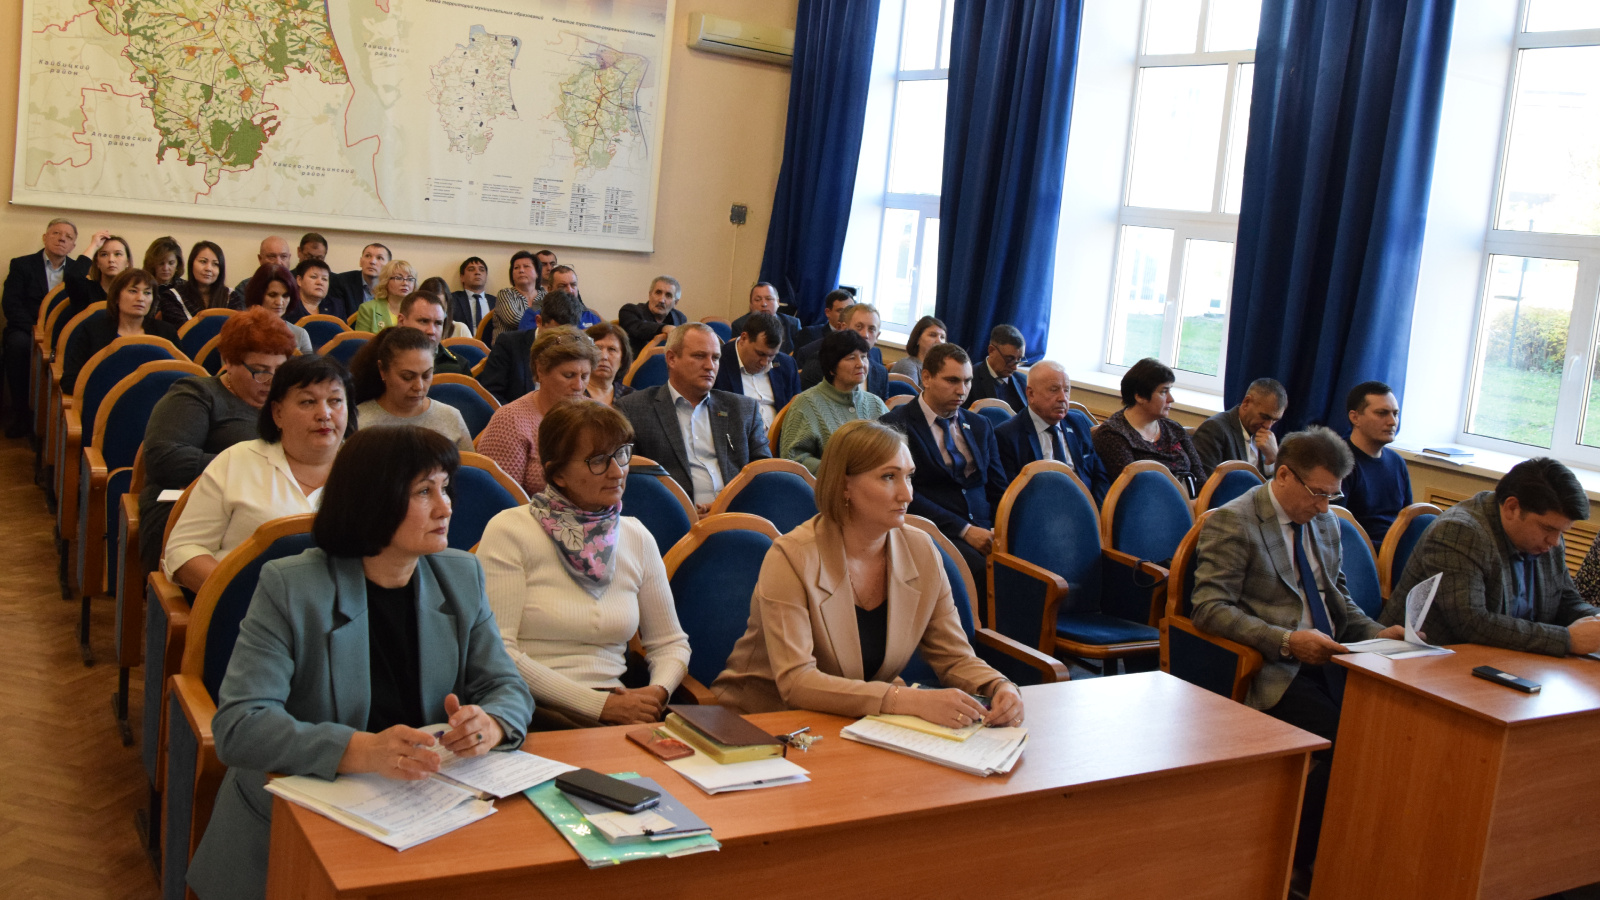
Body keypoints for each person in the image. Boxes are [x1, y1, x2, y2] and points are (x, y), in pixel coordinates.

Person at [185, 426, 533, 900]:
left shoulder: (460, 574)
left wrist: (490, 723)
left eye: (445, 488)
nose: (446, 507)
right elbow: (242, 726)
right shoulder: (292, 586)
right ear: (373, 500)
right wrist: (363, 751)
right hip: (297, 825)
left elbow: (506, 686)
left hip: (427, 811)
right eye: (424, 492)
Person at [711, 419, 1024, 725]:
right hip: (760, 723)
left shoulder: (922, 550)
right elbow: (797, 682)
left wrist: (998, 686)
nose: (907, 495)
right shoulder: (792, 556)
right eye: (888, 477)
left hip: (851, 722)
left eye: (909, 477)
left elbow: (955, 657)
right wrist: (906, 700)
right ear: (844, 485)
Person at [1190, 426, 1404, 874]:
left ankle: (1354, 849)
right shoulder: (1235, 520)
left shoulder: (1325, 522)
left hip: (1333, 656)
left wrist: (1379, 633)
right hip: (1275, 665)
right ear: (1284, 474)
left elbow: (1338, 600)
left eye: (1332, 495)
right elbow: (1209, 609)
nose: (1324, 506)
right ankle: (1294, 865)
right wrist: (1286, 641)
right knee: (1347, 743)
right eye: (1318, 493)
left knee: (1393, 734)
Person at [480, 400, 691, 728]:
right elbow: (498, 651)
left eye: (622, 454)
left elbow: (670, 644)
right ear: (558, 474)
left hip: (621, 709)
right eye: (598, 461)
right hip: (530, 710)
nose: (618, 471)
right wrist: (598, 705)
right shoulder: (510, 530)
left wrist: (656, 693)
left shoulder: (636, 535)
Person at [162, 354, 354, 593]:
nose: (324, 414)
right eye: (308, 402)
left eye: (335, 401)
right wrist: (239, 595)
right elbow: (184, 549)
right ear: (277, 413)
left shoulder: (370, 467)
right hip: (244, 605)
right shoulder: (237, 461)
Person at [1386, 458, 1600, 656]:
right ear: (1512, 507)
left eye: (1561, 532)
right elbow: (1472, 624)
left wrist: (1595, 620)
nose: (1555, 541)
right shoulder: (1460, 532)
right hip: (1421, 661)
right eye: (1548, 529)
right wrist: (1566, 640)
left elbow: (1565, 600)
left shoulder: (1547, 540)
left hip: (1504, 660)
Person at [137, 309, 297, 572]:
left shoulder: (288, 404)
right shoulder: (197, 394)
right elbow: (164, 459)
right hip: (191, 510)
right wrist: (253, 468)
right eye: (260, 371)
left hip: (270, 508)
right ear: (228, 361)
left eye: (280, 371)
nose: (271, 381)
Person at [881, 343, 1008, 604]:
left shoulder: (980, 425)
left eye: (967, 381)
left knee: (1032, 562)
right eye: (952, 380)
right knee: (982, 571)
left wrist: (1003, 529)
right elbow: (903, 495)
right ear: (926, 378)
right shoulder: (896, 425)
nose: (962, 390)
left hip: (985, 529)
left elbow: (997, 487)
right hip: (931, 531)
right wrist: (964, 530)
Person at [616, 323, 770, 512]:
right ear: (671, 358)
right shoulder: (634, 410)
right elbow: (631, 483)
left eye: (715, 358)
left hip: (736, 516)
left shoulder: (743, 409)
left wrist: (726, 506)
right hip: (672, 519)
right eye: (699, 356)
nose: (710, 366)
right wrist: (686, 514)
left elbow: (765, 474)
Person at [477, 327, 598, 496]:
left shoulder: (599, 417)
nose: (578, 386)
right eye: (568, 375)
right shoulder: (510, 421)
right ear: (540, 371)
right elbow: (500, 499)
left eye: (584, 376)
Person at [2, 218, 91, 436]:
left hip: (64, 332)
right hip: (27, 329)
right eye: (56, 233)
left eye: (68, 237)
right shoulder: (22, 265)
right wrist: (37, 332)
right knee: (17, 345)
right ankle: (21, 415)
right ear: (45, 237)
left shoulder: (78, 272)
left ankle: (58, 422)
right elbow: (11, 304)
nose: (61, 239)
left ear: (73, 246)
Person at [994, 360, 1111, 504]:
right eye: (1054, 390)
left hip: (1085, 508)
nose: (1063, 398)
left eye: (1066, 390)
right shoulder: (1008, 435)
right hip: (1041, 510)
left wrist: (1096, 511)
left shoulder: (1078, 423)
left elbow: (1099, 476)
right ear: (1031, 394)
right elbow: (1011, 494)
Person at [1093, 357, 1206, 496]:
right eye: (1163, 392)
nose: (1171, 399)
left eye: (1170, 391)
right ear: (1140, 396)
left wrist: (1201, 504)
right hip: (1148, 506)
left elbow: (1200, 477)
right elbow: (1133, 491)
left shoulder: (1174, 428)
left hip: (1192, 503)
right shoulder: (1113, 434)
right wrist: (1189, 505)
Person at [779, 329, 888, 474]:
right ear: (831, 368)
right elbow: (793, 458)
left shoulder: (876, 403)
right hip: (825, 485)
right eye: (851, 358)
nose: (860, 364)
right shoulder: (805, 404)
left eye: (864, 357)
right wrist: (839, 471)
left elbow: (893, 448)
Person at [59, 267, 180, 394]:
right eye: (133, 291)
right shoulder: (93, 331)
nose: (141, 298)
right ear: (116, 297)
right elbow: (70, 381)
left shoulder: (166, 333)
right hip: (102, 402)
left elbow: (183, 377)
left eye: (147, 293)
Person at [351, 326, 474, 451]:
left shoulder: (450, 417)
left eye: (426, 375)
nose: (419, 387)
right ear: (382, 370)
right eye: (407, 377)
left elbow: (471, 463)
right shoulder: (359, 421)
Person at [1335, 381, 1412, 544]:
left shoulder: (1397, 462)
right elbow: (1337, 526)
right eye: (1382, 413)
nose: (1392, 422)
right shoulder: (1337, 461)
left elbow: (1409, 520)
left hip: (1396, 550)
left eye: (1395, 414)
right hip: (1360, 552)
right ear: (1355, 417)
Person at [478, 290, 586, 403]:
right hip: (516, 411)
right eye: (554, 334)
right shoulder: (509, 343)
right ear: (539, 321)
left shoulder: (577, 348)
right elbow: (491, 394)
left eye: (567, 335)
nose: (559, 341)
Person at [712, 312, 801, 430]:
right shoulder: (717, 362)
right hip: (737, 437)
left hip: (780, 438)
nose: (765, 362)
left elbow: (795, 412)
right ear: (744, 338)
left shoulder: (786, 365)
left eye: (772, 355)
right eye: (760, 354)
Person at [1193, 378, 1287, 480]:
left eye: (1274, 420)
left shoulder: (1266, 437)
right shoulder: (1214, 429)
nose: (1268, 426)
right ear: (1246, 402)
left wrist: (1273, 459)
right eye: (1264, 417)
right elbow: (1206, 483)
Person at [799, 303, 890, 399]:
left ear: (877, 336)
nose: (865, 335)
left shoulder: (881, 373)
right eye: (859, 327)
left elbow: (882, 408)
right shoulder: (820, 363)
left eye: (871, 329)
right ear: (843, 328)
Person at [395, 291, 472, 376]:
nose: (431, 331)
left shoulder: (458, 367)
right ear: (401, 321)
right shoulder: (386, 360)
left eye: (438, 323)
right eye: (424, 321)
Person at [59, 232, 129, 324]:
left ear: (127, 262)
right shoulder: (86, 290)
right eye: (104, 255)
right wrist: (94, 245)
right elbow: (73, 277)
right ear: (97, 262)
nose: (111, 260)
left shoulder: (134, 293)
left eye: (118, 254)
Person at [241, 264, 313, 354]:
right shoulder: (241, 331)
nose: (279, 302)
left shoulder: (300, 334)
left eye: (285, 296)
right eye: (272, 295)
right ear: (257, 295)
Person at [965, 324, 1028, 413]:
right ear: (991, 350)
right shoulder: (970, 379)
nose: (1015, 367)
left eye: (1019, 359)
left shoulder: (1024, 381)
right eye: (1009, 359)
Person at [617, 275, 687, 352]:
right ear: (650, 295)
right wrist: (664, 328)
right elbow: (638, 328)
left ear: (675, 302)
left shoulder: (680, 318)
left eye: (668, 295)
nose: (661, 300)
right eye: (658, 293)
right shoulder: (629, 311)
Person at [729, 282, 802, 353]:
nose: (764, 304)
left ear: (778, 302)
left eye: (769, 299)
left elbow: (799, 353)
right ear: (750, 304)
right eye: (758, 300)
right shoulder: (740, 325)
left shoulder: (793, 324)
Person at [327, 242, 391, 322]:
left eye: (379, 258)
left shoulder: (392, 287)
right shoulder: (341, 282)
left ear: (388, 266)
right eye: (368, 256)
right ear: (360, 261)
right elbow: (338, 319)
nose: (372, 261)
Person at [517, 265, 592, 331]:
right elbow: (528, 340)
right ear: (550, 289)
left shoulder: (589, 314)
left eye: (573, 285)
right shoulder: (533, 313)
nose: (570, 290)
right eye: (562, 286)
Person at [352, 260, 418, 333]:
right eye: (398, 278)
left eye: (410, 279)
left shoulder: (419, 310)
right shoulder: (368, 309)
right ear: (386, 281)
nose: (405, 283)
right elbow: (361, 339)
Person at [226, 236, 292, 309]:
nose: (278, 262)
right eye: (272, 257)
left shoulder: (298, 285)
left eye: (283, 256)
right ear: (260, 259)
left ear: (289, 258)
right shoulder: (245, 288)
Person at [492, 250, 543, 334]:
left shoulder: (545, 296)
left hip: (540, 341)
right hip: (508, 341)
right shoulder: (505, 294)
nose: (521, 270)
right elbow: (513, 320)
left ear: (537, 273)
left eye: (526, 266)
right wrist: (542, 324)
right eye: (516, 268)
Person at [584, 321, 634, 406]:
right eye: (597, 348)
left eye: (612, 349)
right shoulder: (572, 394)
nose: (604, 356)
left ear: (622, 359)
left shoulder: (632, 398)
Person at [178, 241, 230, 317]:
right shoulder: (174, 296)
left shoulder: (230, 296)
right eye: (203, 261)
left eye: (215, 264)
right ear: (191, 264)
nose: (208, 268)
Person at [143, 236, 187, 325]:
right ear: (152, 264)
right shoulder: (144, 287)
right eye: (161, 263)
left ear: (178, 264)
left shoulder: (186, 288)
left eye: (171, 263)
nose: (166, 268)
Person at [889, 315, 947, 383]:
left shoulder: (941, 368)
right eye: (933, 335)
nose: (939, 341)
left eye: (942, 337)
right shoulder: (907, 366)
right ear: (917, 339)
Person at [449, 256, 493, 332]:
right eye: (471, 269)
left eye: (482, 270)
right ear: (462, 277)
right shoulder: (452, 299)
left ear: (486, 276)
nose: (477, 273)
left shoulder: (497, 302)